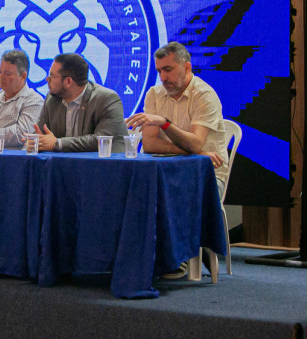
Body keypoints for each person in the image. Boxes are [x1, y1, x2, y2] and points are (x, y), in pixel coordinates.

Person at [124, 41, 228, 280]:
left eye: (168, 70)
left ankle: (174, 259)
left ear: (187, 67)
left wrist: (166, 124)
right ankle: (140, 258)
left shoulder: (204, 95)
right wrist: (194, 152)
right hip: (168, 171)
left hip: (208, 177)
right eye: (159, 71)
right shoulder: (154, 93)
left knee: (170, 193)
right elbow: (149, 145)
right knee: (136, 189)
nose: (162, 77)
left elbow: (196, 143)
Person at [33, 53, 127, 152]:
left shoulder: (107, 99)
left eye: (52, 76)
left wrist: (58, 143)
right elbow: (41, 133)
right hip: (63, 164)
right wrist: (36, 142)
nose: (47, 79)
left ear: (68, 81)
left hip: (104, 164)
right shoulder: (52, 98)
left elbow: (101, 140)